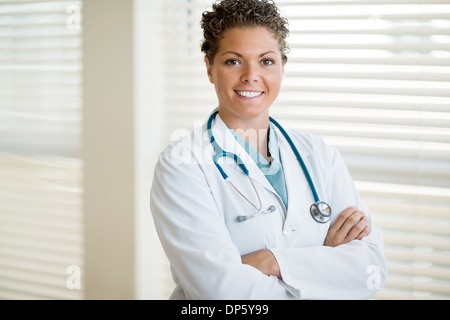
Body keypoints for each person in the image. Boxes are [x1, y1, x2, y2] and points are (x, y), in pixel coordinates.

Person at [150, 0, 387, 300]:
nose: (251, 75)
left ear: (282, 68)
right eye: (233, 61)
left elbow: (371, 270)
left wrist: (272, 261)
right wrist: (323, 266)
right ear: (210, 68)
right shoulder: (182, 165)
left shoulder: (319, 155)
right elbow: (222, 294)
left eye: (266, 61)